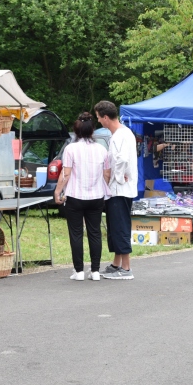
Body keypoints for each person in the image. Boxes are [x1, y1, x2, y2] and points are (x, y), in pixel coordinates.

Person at [53, 112, 110, 281]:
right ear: (93, 130)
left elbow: (66, 174)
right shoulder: (102, 149)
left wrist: (58, 191)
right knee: (95, 233)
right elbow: (107, 174)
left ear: (76, 130)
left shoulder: (70, 149)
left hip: (75, 196)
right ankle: (95, 271)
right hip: (96, 196)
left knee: (76, 233)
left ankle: (78, 271)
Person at [95, 100, 138, 280]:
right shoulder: (122, 134)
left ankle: (126, 268)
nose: (98, 121)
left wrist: (118, 177)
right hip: (118, 189)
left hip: (120, 189)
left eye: (98, 117)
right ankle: (116, 263)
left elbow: (121, 160)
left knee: (120, 227)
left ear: (106, 117)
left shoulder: (120, 135)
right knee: (114, 227)